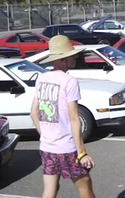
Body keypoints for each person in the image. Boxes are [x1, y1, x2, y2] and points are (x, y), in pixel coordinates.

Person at [30, 35, 96, 198]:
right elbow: (75, 119)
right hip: (67, 148)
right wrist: (81, 153)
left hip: (47, 147)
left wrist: (45, 135)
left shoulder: (42, 78)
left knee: (50, 190)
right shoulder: (69, 81)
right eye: (72, 55)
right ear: (64, 58)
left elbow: (33, 113)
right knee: (85, 187)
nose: (74, 58)